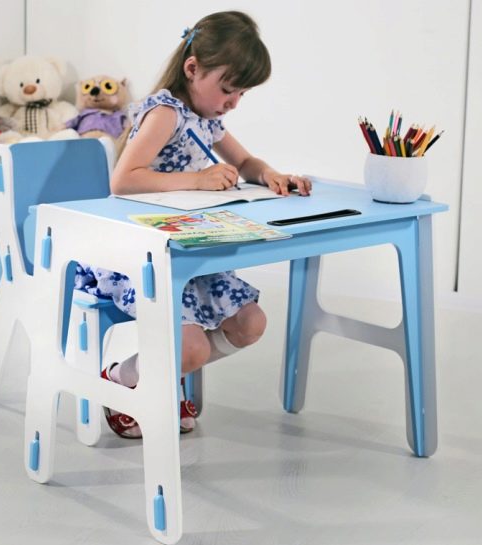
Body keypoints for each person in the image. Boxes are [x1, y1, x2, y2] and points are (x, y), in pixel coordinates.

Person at [75, 10, 312, 439]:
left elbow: (245, 161)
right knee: (192, 348)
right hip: (141, 253)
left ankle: (158, 380)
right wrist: (197, 180)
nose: (233, 102)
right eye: (228, 89)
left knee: (251, 324)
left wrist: (271, 174)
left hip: (186, 250)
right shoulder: (166, 112)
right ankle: (122, 381)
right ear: (192, 69)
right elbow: (123, 180)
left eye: (241, 93)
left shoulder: (207, 118)